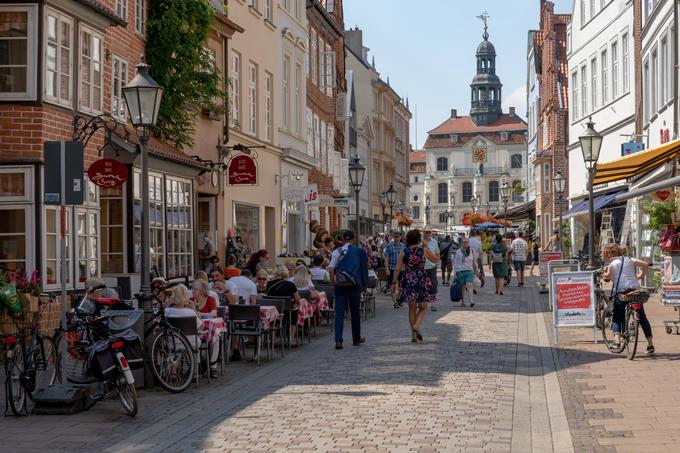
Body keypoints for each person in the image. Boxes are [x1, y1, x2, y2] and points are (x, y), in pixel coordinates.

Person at [602, 244, 655, 354]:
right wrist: (640, 275)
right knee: (642, 318)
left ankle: (617, 340)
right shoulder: (630, 259)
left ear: (611, 254)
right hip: (635, 291)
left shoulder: (612, 264)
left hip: (622, 292)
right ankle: (650, 344)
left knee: (617, 316)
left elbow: (607, 276)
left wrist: (604, 274)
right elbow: (645, 265)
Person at [392, 229, 440, 343]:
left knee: (411, 308)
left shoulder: (403, 251)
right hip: (421, 278)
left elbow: (398, 268)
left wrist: (393, 283)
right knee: (423, 307)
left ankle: (413, 336)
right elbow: (436, 260)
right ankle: (417, 325)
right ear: (419, 239)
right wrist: (427, 247)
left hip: (408, 279)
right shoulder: (423, 250)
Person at [167, 284, 220, 378]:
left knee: (176, 345)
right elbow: (201, 326)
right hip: (191, 343)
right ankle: (196, 372)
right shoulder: (190, 312)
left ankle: (173, 371)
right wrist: (194, 310)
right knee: (196, 341)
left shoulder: (167, 311)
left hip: (171, 342)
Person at [328, 230, 369, 350]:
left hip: (340, 286)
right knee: (355, 313)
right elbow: (364, 269)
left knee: (339, 313)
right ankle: (356, 339)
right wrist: (364, 286)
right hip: (354, 286)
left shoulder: (337, 251)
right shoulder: (359, 251)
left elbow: (331, 269)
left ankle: (338, 341)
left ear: (343, 239)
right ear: (353, 239)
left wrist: (333, 281)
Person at [266, 265, 302, 347]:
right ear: (286, 273)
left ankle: (273, 339)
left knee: (272, 320)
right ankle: (291, 339)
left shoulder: (269, 284)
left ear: (275, 273)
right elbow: (297, 299)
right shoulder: (290, 284)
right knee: (294, 315)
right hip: (286, 315)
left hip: (273, 314)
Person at [453, 238, 477, 308]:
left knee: (469, 285)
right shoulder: (458, 252)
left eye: (467, 242)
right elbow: (456, 263)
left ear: (468, 243)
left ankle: (471, 301)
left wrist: (477, 269)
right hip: (460, 271)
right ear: (462, 243)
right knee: (462, 287)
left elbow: (475, 261)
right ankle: (462, 301)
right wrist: (454, 273)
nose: (465, 243)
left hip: (469, 270)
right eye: (464, 242)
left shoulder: (472, 251)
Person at [382, 232, 406, 296]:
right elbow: (386, 258)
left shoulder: (403, 246)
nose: (396, 238)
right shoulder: (389, 246)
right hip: (392, 268)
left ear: (400, 237)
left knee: (401, 284)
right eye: (395, 237)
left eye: (398, 237)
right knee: (392, 284)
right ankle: (395, 300)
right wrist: (387, 269)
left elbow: (405, 258)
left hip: (401, 269)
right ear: (393, 237)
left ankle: (398, 297)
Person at [423, 230, 440, 312]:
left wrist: (437, 262)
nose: (428, 234)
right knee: (422, 286)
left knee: (433, 284)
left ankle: (433, 304)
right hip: (422, 268)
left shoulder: (434, 241)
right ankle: (423, 304)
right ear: (423, 233)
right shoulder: (420, 242)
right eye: (426, 232)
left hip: (432, 267)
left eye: (429, 232)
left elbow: (437, 253)